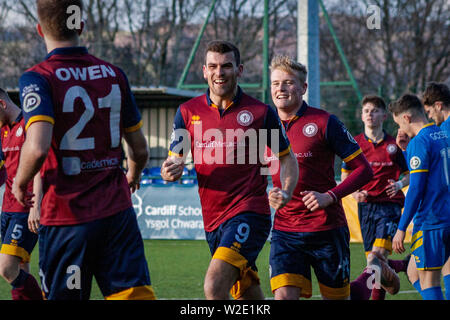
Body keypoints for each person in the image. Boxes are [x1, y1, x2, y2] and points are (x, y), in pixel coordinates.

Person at [11, 0, 155, 300]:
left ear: (40, 30)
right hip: (117, 215)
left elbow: (37, 147)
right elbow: (139, 150)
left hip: (66, 220)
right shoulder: (114, 74)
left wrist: (20, 182)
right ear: (81, 26)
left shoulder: (37, 78)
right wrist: (132, 174)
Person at [161, 41, 299, 300]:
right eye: (213, 66)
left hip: (249, 213)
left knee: (214, 286)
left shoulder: (260, 113)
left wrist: (287, 189)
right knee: (247, 294)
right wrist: (169, 171)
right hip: (212, 220)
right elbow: (172, 161)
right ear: (204, 71)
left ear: (240, 70)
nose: (219, 72)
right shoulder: (187, 112)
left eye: (226, 66)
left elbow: (287, 158)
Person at [266, 55, 398, 300]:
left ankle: (374, 272)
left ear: (303, 88)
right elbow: (261, 174)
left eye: (288, 82)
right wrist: (273, 194)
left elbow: (364, 169)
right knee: (283, 297)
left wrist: (330, 196)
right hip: (285, 231)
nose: (280, 89)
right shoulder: (264, 127)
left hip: (326, 229)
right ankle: (375, 271)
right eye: (275, 83)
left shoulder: (325, 122)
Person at [340, 95, 410, 300]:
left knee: (376, 257)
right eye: (366, 111)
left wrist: (398, 184)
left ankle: (357, 290)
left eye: (375, 110)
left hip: (389, 206)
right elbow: (345, 174)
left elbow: (408, 175)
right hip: (366, 208)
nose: (370, 114)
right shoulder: (355, 143)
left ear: (384, 116)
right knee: (375, 264)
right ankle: (402, 265)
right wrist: (354, 192)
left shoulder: (393, 145)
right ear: (361, 116)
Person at [390, 93, 450, 300]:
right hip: (447, 216)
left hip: (432, 222)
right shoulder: (443, 134)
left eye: (399, 124)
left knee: (429, 282)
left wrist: (401, 228)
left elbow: (415, 189)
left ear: (406, 118)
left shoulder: (420, 141)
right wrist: (406, 151)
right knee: (414, 272)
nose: (400, 130)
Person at [0, 88, 42, 300]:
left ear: (2, 103)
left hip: (24, 209)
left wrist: (36, 206)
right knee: (21, 267)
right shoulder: (2, 130)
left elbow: (40, 166)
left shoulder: (29, 124)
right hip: (7, 209)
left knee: (7, 268)